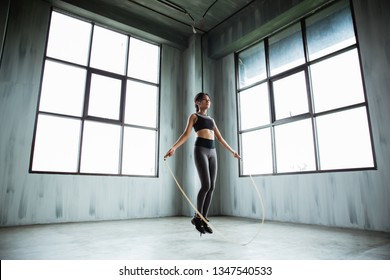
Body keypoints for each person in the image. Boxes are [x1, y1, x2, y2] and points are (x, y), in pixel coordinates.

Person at [164, 92, 241, 235]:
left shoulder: (211, 120)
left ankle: (204, 218)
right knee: (205, 184)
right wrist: (173, 147)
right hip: (200, 150)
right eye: (205, 100)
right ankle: (197, 217)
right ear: (198, 102)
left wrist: (233, 152)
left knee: (212, 186)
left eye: (209, 100)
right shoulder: (194, 117)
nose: (208, 102)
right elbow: (186, 134)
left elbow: (220, 139)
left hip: (213, 152)